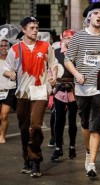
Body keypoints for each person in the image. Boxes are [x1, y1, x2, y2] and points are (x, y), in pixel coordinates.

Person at [64, 2, 100, 177]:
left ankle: (92, 163)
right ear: (89, 17)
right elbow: (67, 60)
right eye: (95, 13)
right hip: (81, 87)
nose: (99, 16)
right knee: (85, 124)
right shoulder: (78, 37)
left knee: (97, 126)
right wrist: (76, 74)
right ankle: (88, 150)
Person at [3, 16, 58, 177]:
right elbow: (6, 68)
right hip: (22, 93)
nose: (35, 30)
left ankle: (35, 161)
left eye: (36, 27)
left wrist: (53, 75)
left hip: (39, 91)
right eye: (32, 28)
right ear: (24, 30)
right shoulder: (15, 49)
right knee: (24, 128)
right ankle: (26, 158)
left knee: (35, 127)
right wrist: (10, 74)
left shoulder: (46, 46)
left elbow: (53, 64)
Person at [50, 29, 78, 161]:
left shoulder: (77, 53)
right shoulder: (55, 53)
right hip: (59, 89)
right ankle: (58, 147)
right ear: (63, 39)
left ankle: (72, 147)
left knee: (73, 121)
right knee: (59, 120)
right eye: (67, 38)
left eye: (72, 38)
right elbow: (50, 68)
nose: (70, 40)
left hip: (74, 90)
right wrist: (51, 82)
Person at [0, 39, 17, 144]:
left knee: (4, 114)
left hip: (9, 90)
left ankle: (2, 136)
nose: (3, 47)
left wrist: (14, 75)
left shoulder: (13, 60)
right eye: (1, 45)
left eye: (5, 45)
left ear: (9, 47)